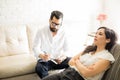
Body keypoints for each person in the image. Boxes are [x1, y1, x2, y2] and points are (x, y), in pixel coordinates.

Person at [41, 27, 118, 80]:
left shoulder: (107, 57)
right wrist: (83, 67)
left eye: (100, 34)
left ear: (108, 40)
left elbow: (86, 73)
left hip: (77, 78)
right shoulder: (89, 49)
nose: (96, 35)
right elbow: (70, 62)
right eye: (96, 33)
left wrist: (77, 61)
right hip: (66, 72)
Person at [33, 10, 71, 78]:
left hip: (59, 60)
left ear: (61, 23)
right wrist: (42, 56)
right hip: (45, 61)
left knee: (74, 62)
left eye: (58, 24)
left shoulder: (64, 32)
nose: (55, 27)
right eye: (53, 24)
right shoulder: (41, 31)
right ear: (49, 20)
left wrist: (62, 57)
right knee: (39, 68)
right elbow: (35, 47)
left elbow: (67, 50)